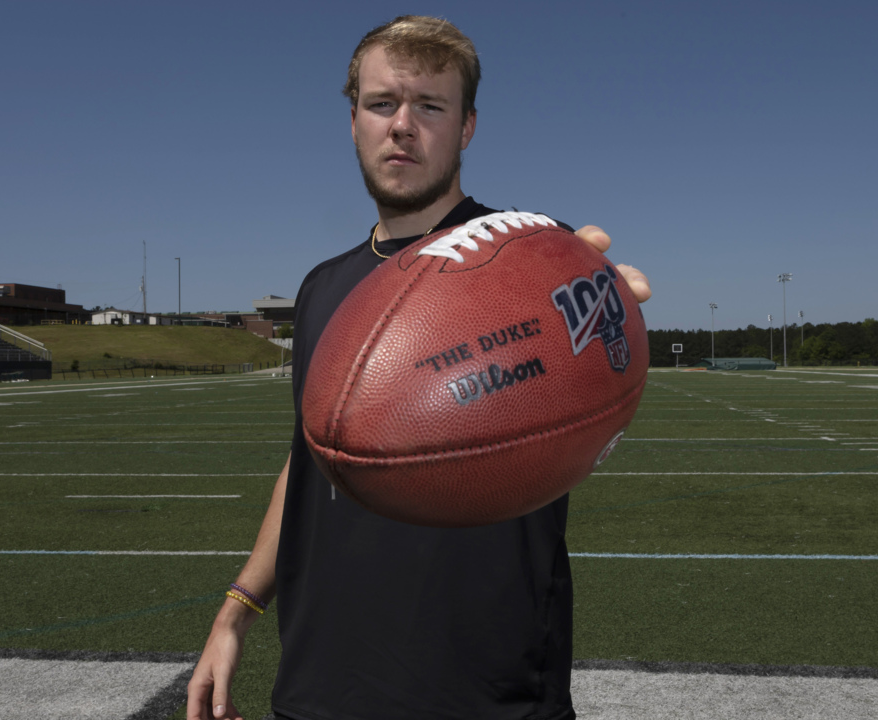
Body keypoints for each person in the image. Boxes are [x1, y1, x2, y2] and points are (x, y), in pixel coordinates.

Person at [187, 16, 650, 720]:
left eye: (430, 106)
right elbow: (310, 459)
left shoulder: (534, 260)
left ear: (466, 128)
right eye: (382, 104)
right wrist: (238, 608)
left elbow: (594, 320)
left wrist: (606, 308)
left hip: (488, 691)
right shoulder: (321, 289)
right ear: (353, 123)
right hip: (322, 689)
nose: (402, 126)